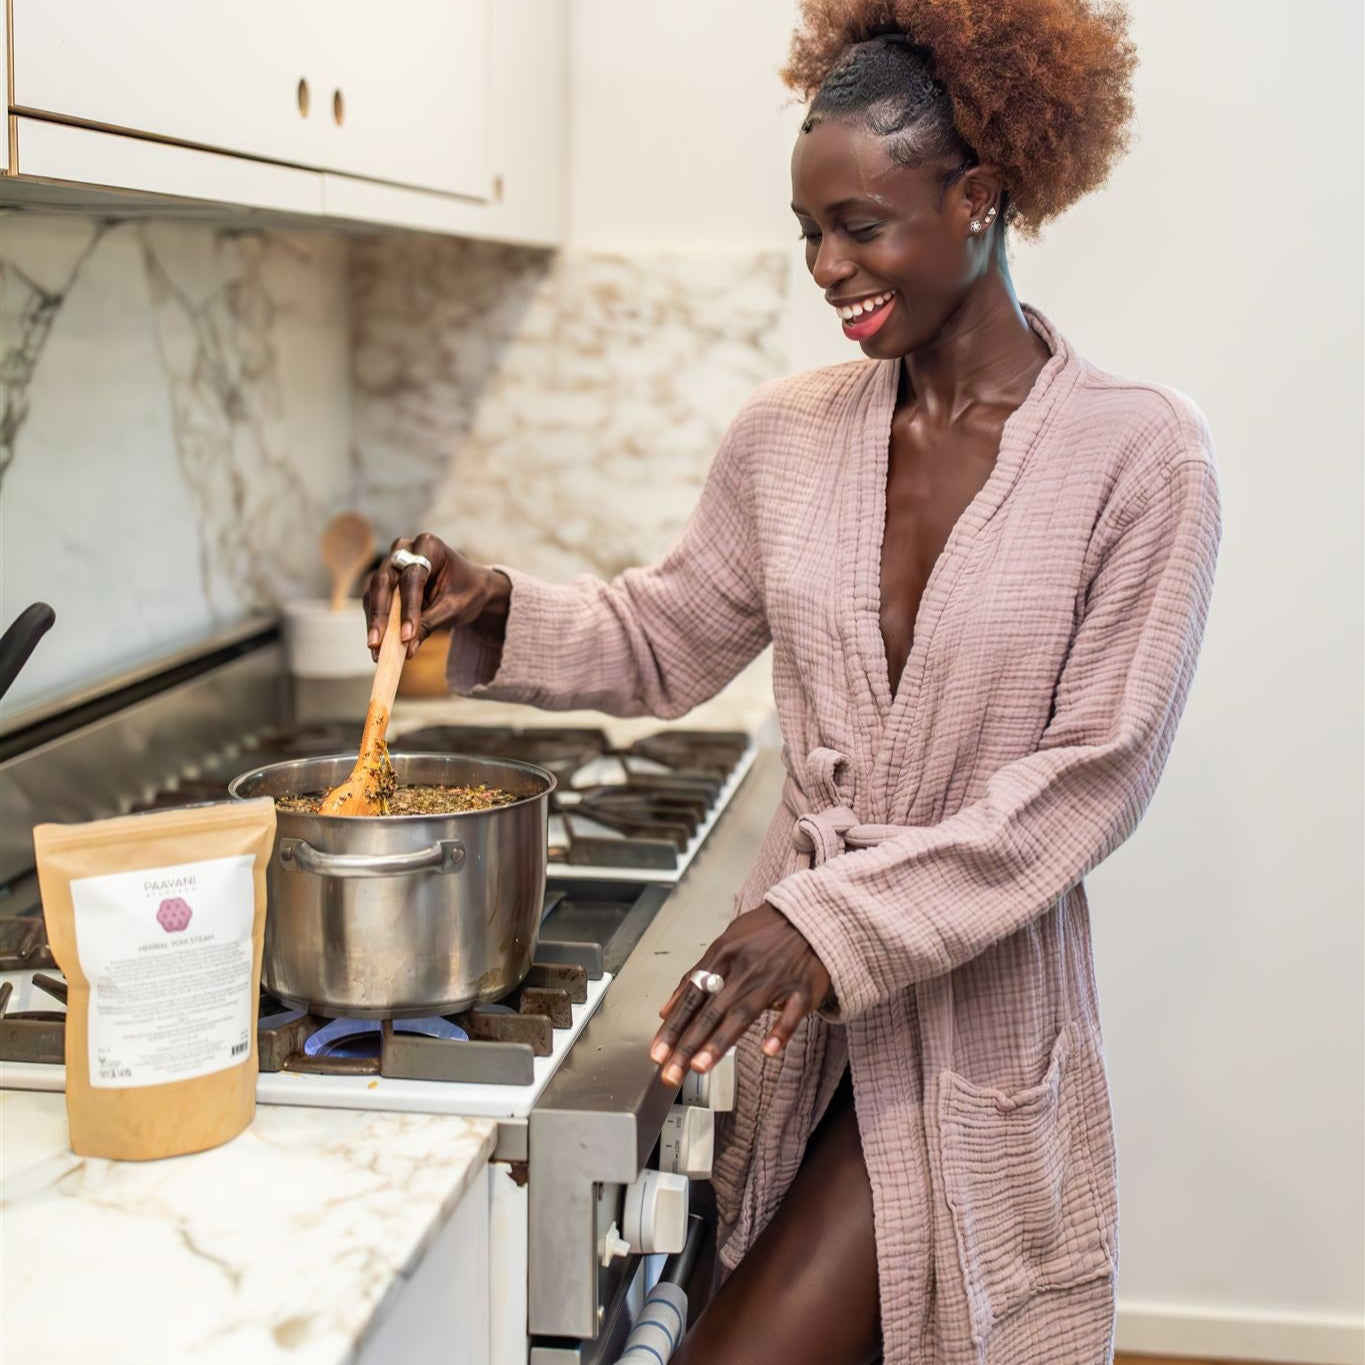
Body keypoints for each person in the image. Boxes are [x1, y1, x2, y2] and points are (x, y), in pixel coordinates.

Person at [365, 3, 1221, 1360]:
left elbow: (1087, 783)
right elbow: (665, 632)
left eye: (859, 227)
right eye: (807, 232)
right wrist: (494, 600)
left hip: (966, 1028)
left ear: (979, 197)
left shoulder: (1141, 456)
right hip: (793, 1037)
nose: (826, 267)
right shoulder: (785, 434)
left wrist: (828, 924)